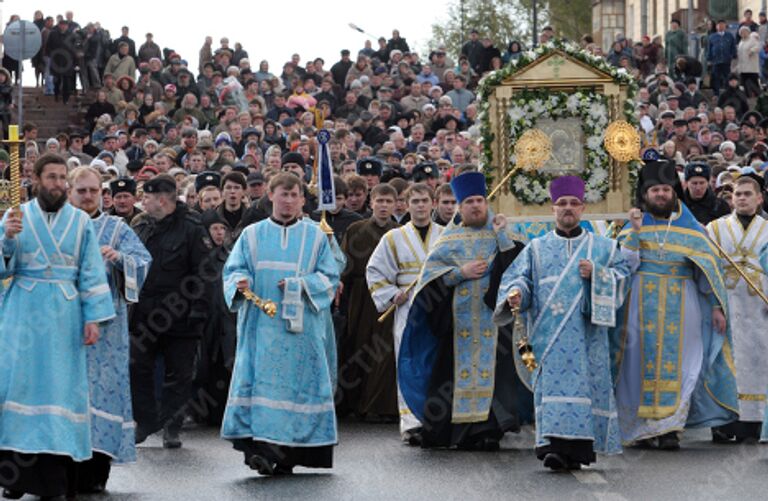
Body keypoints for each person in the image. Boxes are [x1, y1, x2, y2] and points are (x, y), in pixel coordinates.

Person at [494, 176, 633, 471]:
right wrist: (516, 293)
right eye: (562, 204)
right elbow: (521, 278)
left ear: (582, 208)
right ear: (553, 208)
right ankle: (552, 447)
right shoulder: (536, 248)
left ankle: (580, 450)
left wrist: (597, 273)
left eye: (573, 204)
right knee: (552, 390)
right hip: (548, 338)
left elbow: (624, 276)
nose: (567, 208)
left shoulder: (603, 248)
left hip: (587, 337)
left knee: (585, 389)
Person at [0, 153, 115, 499]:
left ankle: (55, 481)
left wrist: (93, 317)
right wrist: (6, 240)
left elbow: (92, 272)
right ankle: (15, 476)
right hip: (23, 314)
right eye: (51, 177)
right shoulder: (15, 217)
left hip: (65, 317)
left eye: (61, 177)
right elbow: (4, 269)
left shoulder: (80, 222)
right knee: (20, 389)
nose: (57, 184)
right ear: (36, 180)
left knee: (61, 393)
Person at [613, 155, 738, 450]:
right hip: (638, 307)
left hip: (683, 306)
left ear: (673, 192)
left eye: (666, 190)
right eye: (655, 191)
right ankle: (642, 429)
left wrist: (717, 307)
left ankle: (670, 428)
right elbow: (622, 266)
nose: (661, 195)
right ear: (645, 195)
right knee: (636, 365)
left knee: (683, 363)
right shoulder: (633, 225)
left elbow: (708, 268)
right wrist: (634, 232)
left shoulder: (692, 228)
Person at [398, 171, 529, 451]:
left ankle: (488, 431)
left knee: (496, 376)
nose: (475, 205)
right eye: (468, 201)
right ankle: (455, 432)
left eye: (479, 200)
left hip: (494, 324)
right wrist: (459, 273)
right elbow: (428, 284)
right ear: (459, 206)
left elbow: (518, 269)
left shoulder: (502, 233)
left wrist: (503, 236)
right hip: (456, 326)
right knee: (450, 378)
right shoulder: (448, 240)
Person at [221, 172, 341, 475]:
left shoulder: (316, 236)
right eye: (282, 194)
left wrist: (301, 285)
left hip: (302, 331)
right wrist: (238, 283)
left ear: (302, 199)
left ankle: (288, 455)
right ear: (270, 196)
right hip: (260, 328)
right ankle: (259, 451)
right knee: (262, 387)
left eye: (294, 195)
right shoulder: (251, 235)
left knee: (297, 389)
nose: (288, 201)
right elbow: (232, 270)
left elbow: (330, 278)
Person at [67, 166, 151, 493]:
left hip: (107, 332)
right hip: (65, 328)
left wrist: (119, 259)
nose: (87, 196)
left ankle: (96, 471)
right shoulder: (59, 227)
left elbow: (142, 262)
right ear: (70, 192)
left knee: (103, 395)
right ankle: (63, 469)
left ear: (101, 192)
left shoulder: (117, 228)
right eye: (81, 190)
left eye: (93, 190)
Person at [129, 174, 210, 449]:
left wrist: (197, 312)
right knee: (138, 368)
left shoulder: (192, 228)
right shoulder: (143, 227)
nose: (143, 203)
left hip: (181, 315)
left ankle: (172, 425)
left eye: (147, 198)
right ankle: (146, 420)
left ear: (161, 200)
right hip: (146, 314)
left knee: (179, 374)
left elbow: (204, 273)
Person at [366, 183, 444, 444]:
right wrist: (391, 294)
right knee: (409, 362)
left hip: (439, 307)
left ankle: (439, 420)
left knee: (438, 363)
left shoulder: (447, 235)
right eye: (415, 201)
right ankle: (412, 422)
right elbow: (375, 271)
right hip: (408, 307)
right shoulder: (393, 238)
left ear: (433, 203)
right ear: (406, 205)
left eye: (424, 200)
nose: (420, 206)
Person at [707, 176, 768, 443]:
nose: (741, 198)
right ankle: (726, 420)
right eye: (737, 194)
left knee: (759, 362)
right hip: (727, 305)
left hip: (760, 308)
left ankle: (756, 420)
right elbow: (707, 269)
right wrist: (712, 305)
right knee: (727, 362)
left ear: (759, 198)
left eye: (747, 194)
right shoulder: (715, 229)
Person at [337, 183, 400, 421]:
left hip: (391, 296)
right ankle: (357, 404)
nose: (383, 206)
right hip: (361, 297)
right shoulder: (356, 229)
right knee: (360, 345)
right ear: (371, 202)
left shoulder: (400, 231)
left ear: (395, 204)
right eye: (379, 201)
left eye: (388, 201)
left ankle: (383, 406)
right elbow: (343, 263)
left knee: (385, 349)